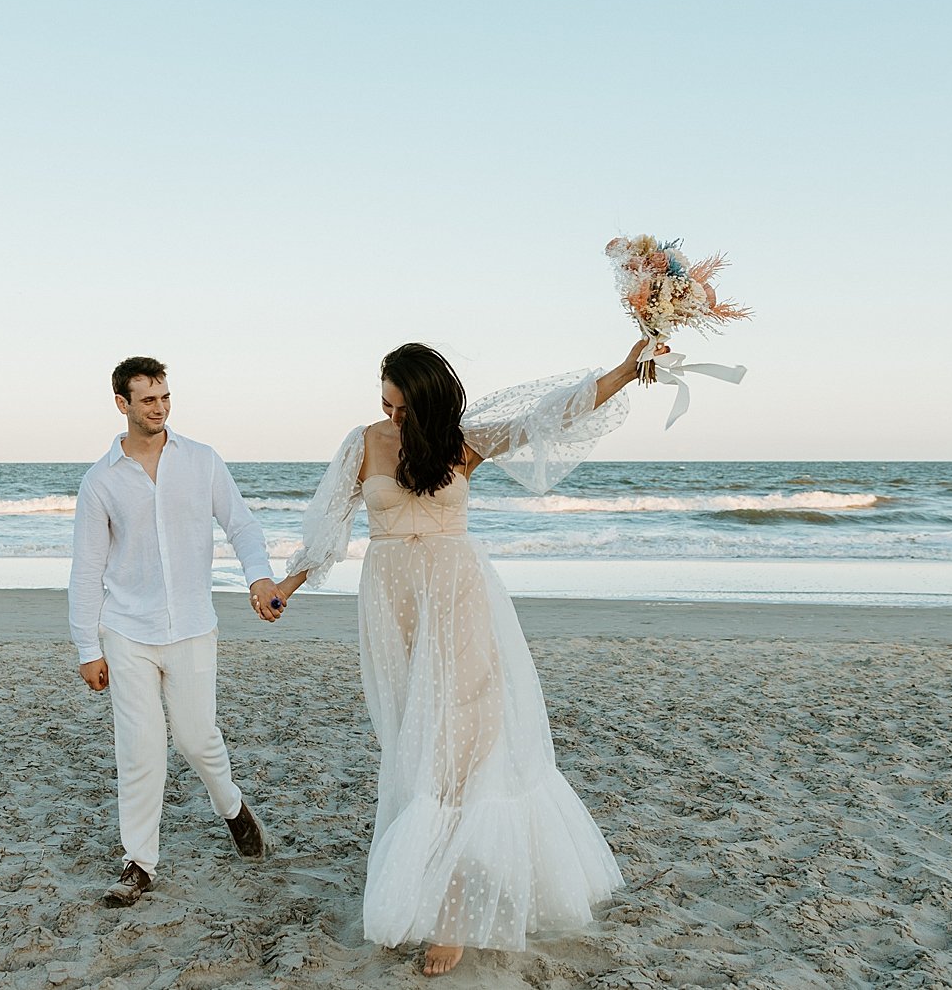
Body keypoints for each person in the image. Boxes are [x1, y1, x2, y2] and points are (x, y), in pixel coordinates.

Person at [265, 337, 663, 975]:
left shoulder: (464, 441)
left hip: (461, 599)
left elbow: (556, 414)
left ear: (428, 400)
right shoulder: (363, 442)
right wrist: (286, 584)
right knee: (415, 746)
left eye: (401, 406)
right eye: (386, 403)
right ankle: (431, 875)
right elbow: (328, 523)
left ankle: (452, 910)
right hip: (392, 606)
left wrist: (623, 369)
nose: (392, 416)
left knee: (465, 747)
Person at [68, 355, 285, 907]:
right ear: (122, 404)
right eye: (147, 400)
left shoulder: (203, 461)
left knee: (196, 737)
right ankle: (139, 863)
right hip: (126, 630)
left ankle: (232, 809)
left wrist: (259, 577)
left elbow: (240, 523)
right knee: (140, 749)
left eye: (165, 397)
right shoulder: (100, 482)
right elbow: (87, 570)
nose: (159, 408)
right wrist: (87, 646)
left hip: (191, 626)